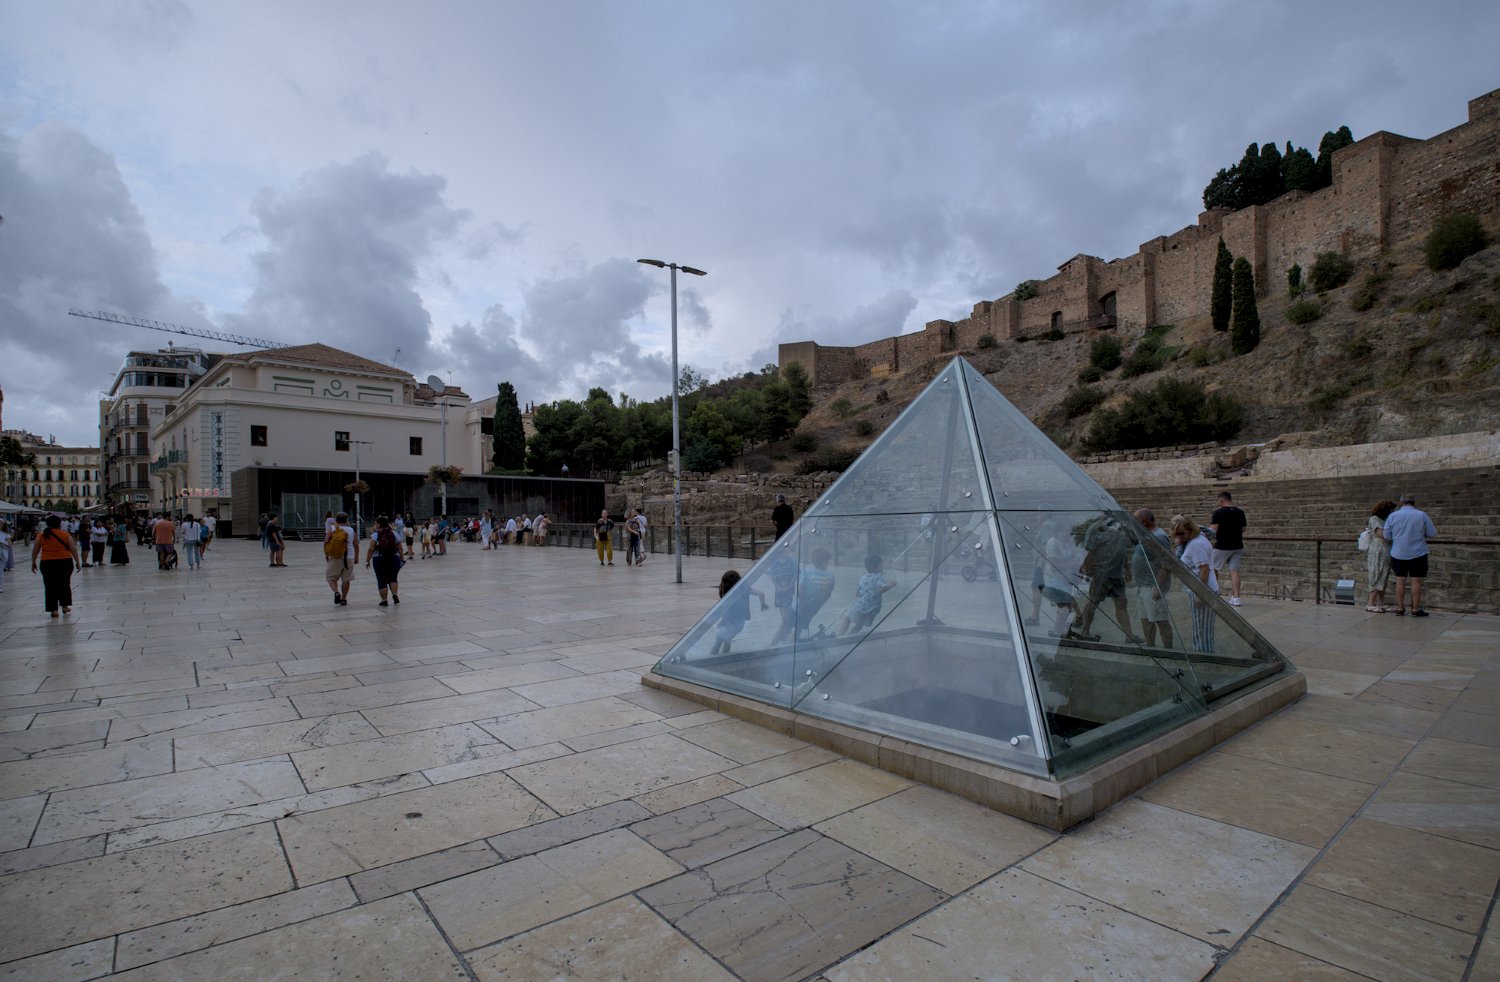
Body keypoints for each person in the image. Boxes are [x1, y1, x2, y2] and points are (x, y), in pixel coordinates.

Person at [1076, 516, 1135, 642]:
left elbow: (1121, 549)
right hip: (1101, 573)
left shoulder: (1120, 526)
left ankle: (1129, 635)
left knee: (1121, 604)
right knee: (1093, 602)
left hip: (1117, 575)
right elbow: (1089, 551)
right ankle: (1085, 631)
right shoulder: (1096, 528)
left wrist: (1127, 568)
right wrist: (1088, 571)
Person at [1383, 494, 1436, 617]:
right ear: (1414, 503)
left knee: (1400, 579)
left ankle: (1400, 607)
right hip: (1418, 552)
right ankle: (1415, 609)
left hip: (1398, 551)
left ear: (1401, 502)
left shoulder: (1393, 516)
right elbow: (1432, 533)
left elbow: (1386, 535)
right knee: (1416, 580)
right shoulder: (1421, 515)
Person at [1172, 515, 1218, 653]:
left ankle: (1203, 656)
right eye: (1176, 534)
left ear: (1190, 529)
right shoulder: (1196, 539)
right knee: (1203, 628)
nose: (1179, 536)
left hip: (1202, 592)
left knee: (1201, 628)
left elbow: (1205, 569)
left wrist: (1200, 594)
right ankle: (1204, 654)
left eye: (1181, 533)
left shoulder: (1196, 544)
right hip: (1201, 590)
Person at [1131, 508, 1175, 648]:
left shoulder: (1159, 536)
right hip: (1143, 585)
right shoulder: (1145, 534)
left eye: (1135, 521)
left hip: (1153, 586)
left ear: (1143, 521)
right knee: (1145, 620)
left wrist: (1158, 587)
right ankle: (1151, 647)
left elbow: (1167, 563)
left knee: (1160, 621)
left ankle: (1168, 651)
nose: (1133, 525)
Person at [31, 514, 81, 617]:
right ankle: (65, 606)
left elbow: (35, 551)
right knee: (65, 584)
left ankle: (53, 609)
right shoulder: (65, 534)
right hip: (65, 561)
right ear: (59, 523)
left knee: (50, 586)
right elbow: (73, 549)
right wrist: (77, 562)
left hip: (47, 562)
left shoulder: (41, 535)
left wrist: (33, 562)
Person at [711, 569, 766, 655]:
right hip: (740, 624)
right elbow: (761, 593)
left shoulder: (730, 596)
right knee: (727, 641)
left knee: (717, 644)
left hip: (729, 623)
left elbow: (726, 613)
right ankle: (724, 658)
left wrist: (722, 622)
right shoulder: (745, 589)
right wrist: (763, 605)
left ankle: (712, 660)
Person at [838, 554, 895, 635]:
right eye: (881, 566)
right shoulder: (879, 577)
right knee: (860, 624)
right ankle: (851, 635)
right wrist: (890, 585)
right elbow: (881, 589)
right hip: (872, 608)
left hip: (861, 605)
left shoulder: (863, 578)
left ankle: (840, 635)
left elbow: (857, 594)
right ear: (876, 568)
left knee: (847, 618)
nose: (883, 568)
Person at [1210, 491, 1248, 606]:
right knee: (1234, 571)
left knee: (1213, 568)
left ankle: (1214, 593)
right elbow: (1243, 530)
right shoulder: (1240, 512)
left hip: (1222, 546)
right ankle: (1236, 597)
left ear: (1221, 500)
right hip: (1237, 545)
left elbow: (1212, 531)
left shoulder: (1218, 512)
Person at [1365, 499, 1398, 612]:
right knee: (1376, 574)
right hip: (1378, 551)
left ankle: (1380, 603)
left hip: (1386, 551)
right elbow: (1381, 534)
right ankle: (1370, 603)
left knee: (1383, 576)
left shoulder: (1385, 520)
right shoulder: (1375, 519)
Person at [795, 547, 836, 637]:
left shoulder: (806, 572)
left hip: (799, 607)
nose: (828, 563)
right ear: (823, 562)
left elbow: (800, 591)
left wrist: (802, 606)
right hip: (812, 609)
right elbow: (828, 594)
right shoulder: (830, 576)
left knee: (787, 628)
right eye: (827, 561)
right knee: (799, 627)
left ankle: (776, 645)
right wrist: (817, 604)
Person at [366, 515, 403, 606]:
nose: (374, 525)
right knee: (393, 578)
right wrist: (401, 558)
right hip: (394, 558)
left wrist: (367, 560)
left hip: (379, 559)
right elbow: (400, 547)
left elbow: (371, 549)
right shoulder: (394, 534)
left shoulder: (375, 536)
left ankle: (384, 600)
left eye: (375, 523)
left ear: (378, 524)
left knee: (381, 580)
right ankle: (394, 594)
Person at [324, 511, 358, 605]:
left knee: (331, 577)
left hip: (335, 556)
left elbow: (326, 541)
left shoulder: (332, 528)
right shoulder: (351, 530)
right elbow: (356, 544)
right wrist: (356, 557)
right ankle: (343, 598)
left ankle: (336, 592)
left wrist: (326, 554)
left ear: (336, 520)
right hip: (349, 557)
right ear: (346, 520)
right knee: (346, 579)